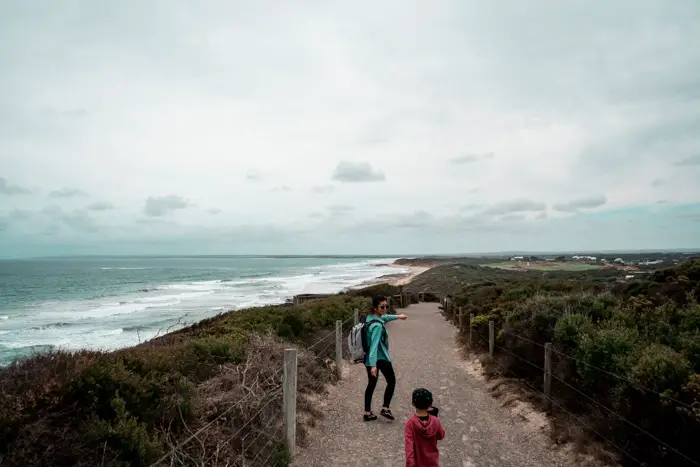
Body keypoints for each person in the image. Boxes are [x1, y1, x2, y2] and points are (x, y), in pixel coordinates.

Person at [364, 295, 407, 421]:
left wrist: (398, 316)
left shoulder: (370, 318)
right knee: (391, 382)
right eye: (382, 306)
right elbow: (374, 345)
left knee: (371, 384)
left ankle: (367, 413)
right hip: (379, 358)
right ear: (375, 308)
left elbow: (385, 318)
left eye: (386, 306)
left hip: (369, 359)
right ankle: (385, 408)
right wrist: (373, 365)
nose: (385, 308)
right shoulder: (377, 326)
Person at [404, 388, 446, 467]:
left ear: (412, 404)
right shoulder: (435, 421)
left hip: (418, 463)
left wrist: (410, 464)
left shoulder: (410, 424)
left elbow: (409, 447)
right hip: (432, 462)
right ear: (430, 405)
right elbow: (441, 435)